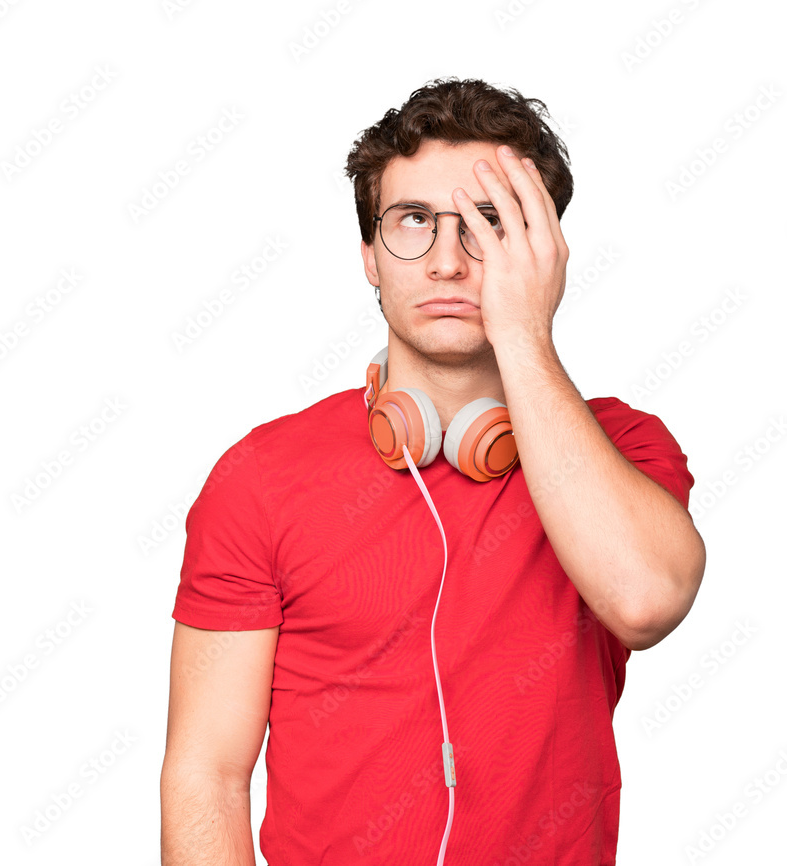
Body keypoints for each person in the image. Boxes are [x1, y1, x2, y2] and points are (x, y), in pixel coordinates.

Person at [160, 77, 706, 865]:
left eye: (490, 223)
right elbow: (207, 776)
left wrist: (524, 333)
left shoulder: (625, 448)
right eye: (414, 221)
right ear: (370, 257)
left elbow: (645, 601)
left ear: (544, 250)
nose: (449, 261)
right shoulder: (260, 477)